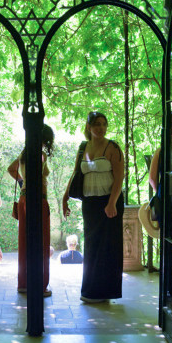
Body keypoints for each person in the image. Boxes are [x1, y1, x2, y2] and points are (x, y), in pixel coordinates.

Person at [62, 111, 124, 303]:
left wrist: (112, 203)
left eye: (104, 124)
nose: (101, 128)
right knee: (91, 246)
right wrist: (64, 198)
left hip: (109, 202)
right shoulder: (83, 148)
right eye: (97, 124)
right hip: (90, 203)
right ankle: (90, 291)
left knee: (108, 247)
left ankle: (105, 292)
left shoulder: (113, 147)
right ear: (89, 127)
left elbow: (120, 177)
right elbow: (75, 173)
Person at [8, 124, 54, 297]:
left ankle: (24, 283)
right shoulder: (40, 155)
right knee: (41, 242)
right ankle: (40, 285)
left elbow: (11, 169)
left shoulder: (23, 154)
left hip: (24, 198)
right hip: (38, 199)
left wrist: (22, 181)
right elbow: (37, 175)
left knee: (25, 240)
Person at [149, 112, 172, 301]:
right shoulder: (160, 150)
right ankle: (169, 288)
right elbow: (152, 179)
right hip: (166, 200)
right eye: (169, 125)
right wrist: (161, 195)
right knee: (167, 243)